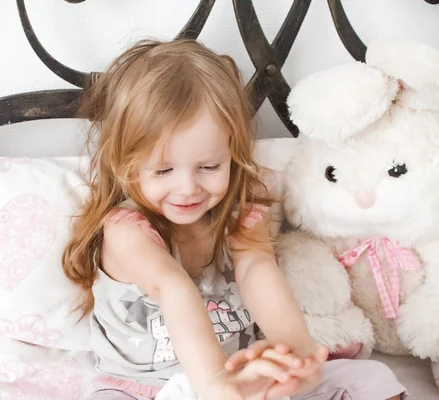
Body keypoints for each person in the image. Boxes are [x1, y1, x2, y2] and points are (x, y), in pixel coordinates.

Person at [62, 38, 407, 400]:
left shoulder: (243, 209)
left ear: (232, 151)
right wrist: (214, 386)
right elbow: (172, 287)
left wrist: (296, 358)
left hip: (244, 376)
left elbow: (257, 270)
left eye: (209, 167)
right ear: (124, 165)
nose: (187, 188)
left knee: (373, 380)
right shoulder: (125, 229)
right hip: (147, 388)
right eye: (163, 171)